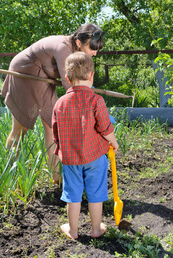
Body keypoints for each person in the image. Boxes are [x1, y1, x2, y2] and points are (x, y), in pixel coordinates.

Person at [1, 23, 105, 182]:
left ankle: (56, 176)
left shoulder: (76, 53)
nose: (95, 53)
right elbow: (69, 85)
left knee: (52, 125)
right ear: (79, 43)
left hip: (43, 77)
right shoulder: (64, 48)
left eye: (97, 48)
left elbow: (80, 81)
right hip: (24, 73)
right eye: (92, 48)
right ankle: (9, 174)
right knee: (20, 129)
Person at [52, 52, 119, 239]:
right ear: (92, 75)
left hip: (71, 159)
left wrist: (60, 150)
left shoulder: (60, 103)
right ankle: (96, 229)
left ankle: (73, 231)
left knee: (72, 193)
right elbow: (105, 128)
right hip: (95, 156)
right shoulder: (96, 100)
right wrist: (114, 143)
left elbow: (55, 132)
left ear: (67, 78)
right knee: (95, 192)